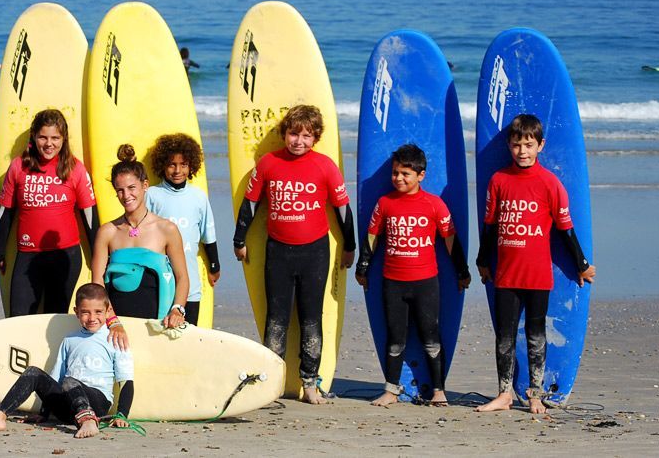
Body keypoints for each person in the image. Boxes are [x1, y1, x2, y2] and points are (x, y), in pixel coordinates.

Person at [233, 104, 356, 404]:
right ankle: (271, 385)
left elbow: (343, 209)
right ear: (284, 134)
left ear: (315, 138)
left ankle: (310, 383)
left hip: (315, 252)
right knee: (276, 321)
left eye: (306, 135)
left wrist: (350, 246)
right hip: (278, 252)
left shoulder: (326, 166)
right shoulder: (268, 163)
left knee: (311, 320)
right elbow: (250, 204)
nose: (298, 141)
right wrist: (239, 239)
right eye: (293, 134)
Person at [474, 114, 596, 414]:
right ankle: (504, 394)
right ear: (509, 146)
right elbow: (489, 226)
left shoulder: (549, 184)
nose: (522, 151)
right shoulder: (499, 181)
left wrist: (581, 264)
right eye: (517, 145)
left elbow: (566, 229)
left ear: (540, 145)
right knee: (504, 336)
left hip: (538, 275)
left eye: (529, 145)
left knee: (535, 335)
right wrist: (482, 260)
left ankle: (535, 395)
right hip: (505, 274)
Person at [355, 144, 470, 407]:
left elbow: (450, 240)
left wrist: (462, 272)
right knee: (395, 339)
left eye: (406, 173)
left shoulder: (434, 204)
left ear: (421, 175)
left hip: (426, 282)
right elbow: (372, 236)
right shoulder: (385, 203)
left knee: (431, 338)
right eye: (396, 172)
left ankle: (439, 391)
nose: (398, 178)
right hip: (392, 282)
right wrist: (363, 267)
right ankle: (391, 391)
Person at [0, 283, 134, 439]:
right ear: (76, 312)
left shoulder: (115, 339)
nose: (92, 318)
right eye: (85, 312)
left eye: (98, 312)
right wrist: (44, 413)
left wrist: (122, 415)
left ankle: (89, 421)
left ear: (108, 312)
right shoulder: (69, 340)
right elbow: (56, 378)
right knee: (33, 373)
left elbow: (125, 380)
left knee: (70, 381)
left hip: (97, 404)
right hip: (68, 407)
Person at [0, 109, 99, 316]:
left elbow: (89, 216)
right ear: (34, 137)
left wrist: (99, 255)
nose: (49, 144)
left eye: (55, 138)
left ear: (64, 139)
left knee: (54, 320)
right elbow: (6, 211)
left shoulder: (75, 168)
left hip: (65, 256)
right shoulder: (18, 167)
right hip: (28, 255)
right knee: (18, 319)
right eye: (43, 137)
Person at [90, 144, 190, 327]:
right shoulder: (107, 232)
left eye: (131, 188)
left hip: (158, 323)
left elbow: (182, 277)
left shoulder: (166, 229)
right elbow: (97, 282)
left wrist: (177, 309)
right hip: (117, 324)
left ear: (145, 185)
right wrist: (112, 322)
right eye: (120, 190)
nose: (126, 195)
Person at [145, 133, 219, 326]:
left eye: (183, 164)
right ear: (162, 165)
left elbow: (208, 234)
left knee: (187, 337)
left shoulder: (198, 197)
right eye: (172, 164)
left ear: (191, 166)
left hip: (190, 285)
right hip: (159, 281)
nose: (177, 170)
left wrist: (214, 265)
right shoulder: (152, 195)